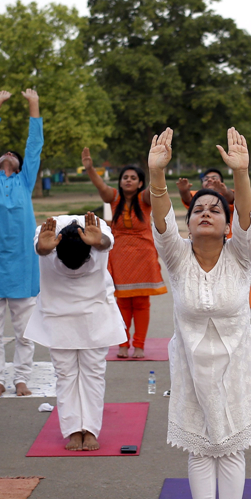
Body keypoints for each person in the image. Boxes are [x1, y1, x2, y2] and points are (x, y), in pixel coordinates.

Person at [148, 127, 251, 499]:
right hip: (191, 367)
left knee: (230, 447)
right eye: (199, 208)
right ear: (190, 220)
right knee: (199, 447)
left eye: (216, 209)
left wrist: (242, 174)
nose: (207, 213)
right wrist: (156, 176)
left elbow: (248, 218)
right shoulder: (177, 259)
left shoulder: (242, 253)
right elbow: (161, 223)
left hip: (236, 366)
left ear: (227, 222)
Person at [24, 212, 125, 451]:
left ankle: (90, 430)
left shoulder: (96, 229)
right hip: (57, 314)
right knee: (65, 375)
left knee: (93, 373)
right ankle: (72, 431)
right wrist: (42, 249)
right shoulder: (48, 231)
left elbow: (108, 242)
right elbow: (39, 248)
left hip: (95, 313)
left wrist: (99, 242)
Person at [0, 89, 44, 397]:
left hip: (22, 266)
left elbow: (34, 148)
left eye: (13, 155)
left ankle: (21, 379)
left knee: (25, 332)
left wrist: (34, 105)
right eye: (5, 154)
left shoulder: (25, 181)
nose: (9, 156)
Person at [81, 149, 167, 359]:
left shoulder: (145, 198)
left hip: (143, 255)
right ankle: (122, 344)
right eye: (125, 177)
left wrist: (157, 167)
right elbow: (100, 186)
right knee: (121, 303)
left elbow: (157, 187)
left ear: (140, 183)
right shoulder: (114, 197)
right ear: (120, 182)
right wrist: (90, 168)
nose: (128, 180)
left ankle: (138, 345)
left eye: (133, 178)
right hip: (119, 257)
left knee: (141, 303)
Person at [177, 168, 251, 308]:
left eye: (214, 210)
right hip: (203, 252)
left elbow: (237, 201)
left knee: (234, 300)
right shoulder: (198, 197)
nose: (210, 181)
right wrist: (183, 191)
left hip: (228, 249)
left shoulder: (228, 194)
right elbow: (189, 199)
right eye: (206, 179)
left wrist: (225, 192)